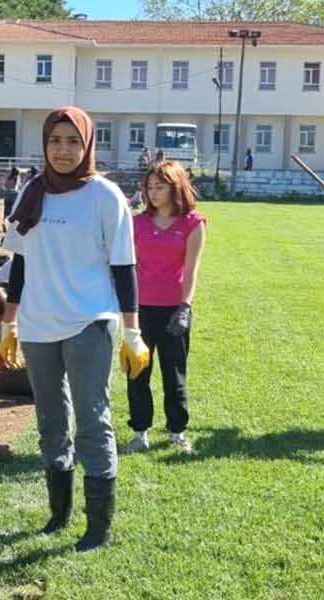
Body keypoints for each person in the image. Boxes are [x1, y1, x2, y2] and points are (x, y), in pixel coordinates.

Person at [0, 106, 149, 552]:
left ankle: (98, 527)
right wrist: (9, 322)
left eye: (73, 141)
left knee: (91, 419)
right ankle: (58, 514)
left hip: (89, 321)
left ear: (87, 145)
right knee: (50, 422)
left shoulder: (105, 197)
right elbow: (20, 264)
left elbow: (124, 269)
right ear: (44, 145)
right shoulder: (31, 193)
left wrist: (132, 333)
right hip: (39, 325)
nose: (63, 150)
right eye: (54, 141)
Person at [125, 161, 207, 454]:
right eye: (149, 187)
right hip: (140, 310)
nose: (153, 193)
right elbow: (129, 267)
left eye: (159, 187)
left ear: (176, 187)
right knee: (137, 373)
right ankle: (140, 432)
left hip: (174, 310)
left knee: (174, 375)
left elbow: (191, 270)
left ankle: (177, 431)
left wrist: (185, 307)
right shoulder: (137, 223)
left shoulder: (193, 224)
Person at [2, 167, 22, 232]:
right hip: (14, 195)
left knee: (6, 211)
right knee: (13, 211)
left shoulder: (8, 177)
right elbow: (17, 186)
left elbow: (4, 184)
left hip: (7, 194)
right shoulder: (16, 177)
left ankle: (4, 224)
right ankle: (11, 225)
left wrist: (7, 188)